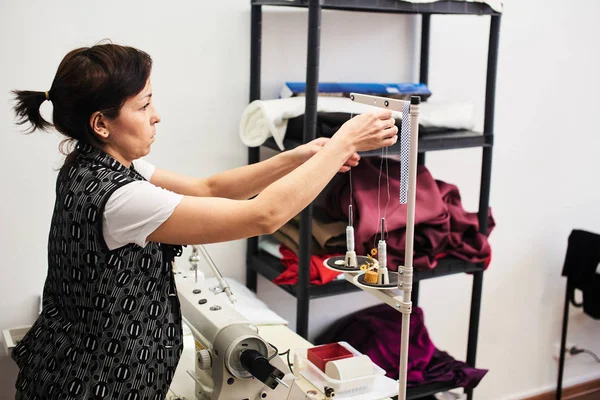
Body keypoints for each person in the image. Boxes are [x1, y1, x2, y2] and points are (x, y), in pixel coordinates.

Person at [10, 42, 398, 399]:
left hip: (77, 366)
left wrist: (298, 157)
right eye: (144, 106)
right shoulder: (122, 198)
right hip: (92, 384)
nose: (157, 116)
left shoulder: (96, 163)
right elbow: (263, 216)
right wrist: (344, 143)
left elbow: (208, 188)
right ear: (101, 124)